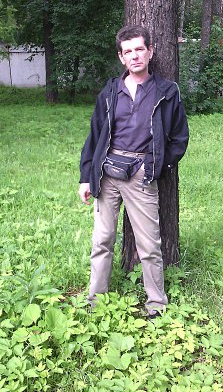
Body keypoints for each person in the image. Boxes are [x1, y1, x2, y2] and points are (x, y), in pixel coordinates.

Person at [78, 25, 189, 318]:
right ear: (121, 57)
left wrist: (157, 165)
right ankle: (95, 302)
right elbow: (95, 135)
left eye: (140, 49)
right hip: (107, 173)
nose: (135, 56)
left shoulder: (166, 91)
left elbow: (179, 137)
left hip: (142, 172)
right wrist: (85, 177)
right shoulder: (110, 91)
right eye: (128, 51)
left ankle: (156, 305)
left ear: (150, 52)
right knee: (102, 241)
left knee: (149, 245)